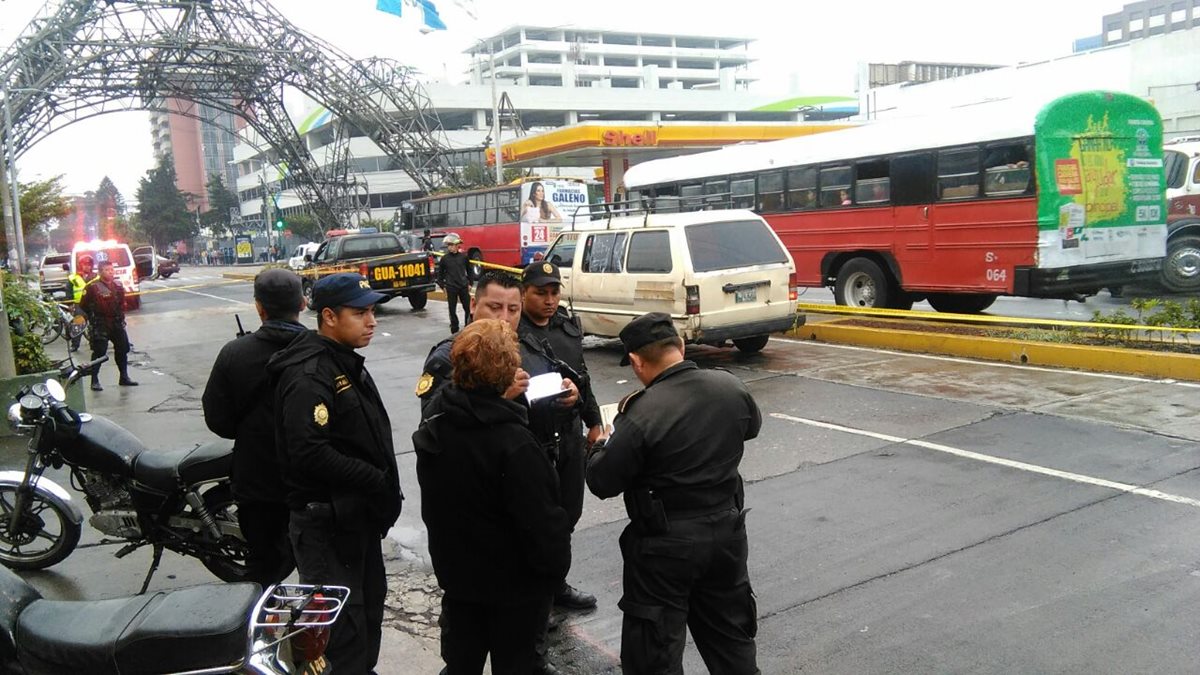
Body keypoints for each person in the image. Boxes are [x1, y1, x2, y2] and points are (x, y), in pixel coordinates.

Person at [585, 312, 762, 674]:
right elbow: (751, 428)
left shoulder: (640, 413)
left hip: (665, 547)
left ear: (635, 361)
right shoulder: (730, 388)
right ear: (680, 346)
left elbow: (602, 481)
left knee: (655, 653)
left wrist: (599, 445)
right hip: (727, 533)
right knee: (731, 641)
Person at [414, 319, 571, 675]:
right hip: (513, 590)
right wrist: (550, 576)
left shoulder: (437, 426)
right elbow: (544, 525)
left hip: (459, 582)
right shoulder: (513, 444)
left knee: (461, 663)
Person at [267, 273, 402, 675]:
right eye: (360, 313)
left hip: (355, 520)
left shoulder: (341, 360)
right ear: (328, 316)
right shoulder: (310, 374)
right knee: (340, 628)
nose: (372, 321)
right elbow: (308, 452)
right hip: (326, 524)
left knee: (368, 610)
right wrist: (374, 479)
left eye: (373, 311)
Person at [202, 269, 305, 588]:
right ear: (302, 303)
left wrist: (252, 431)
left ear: (259, 307)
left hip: (257, 481)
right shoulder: (319, 349)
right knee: (318, 568)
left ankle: (263, 628)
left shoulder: (235, 353)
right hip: (310, 481)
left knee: (263, 571)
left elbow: (217, 419)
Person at [518, 261, 602, 611]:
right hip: (533, 439)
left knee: (569, 514)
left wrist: (593, 420)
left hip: (568, 436)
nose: (549, 300)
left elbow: (582, 377)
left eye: (554, 293)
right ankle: (535, 596)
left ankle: (557, 586)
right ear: (524, 294)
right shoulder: (512, 332)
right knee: (537, 522)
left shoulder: (567, 329)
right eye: (540, 293)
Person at [417, 270, 527, 415]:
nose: (504, 318)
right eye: (495, 308)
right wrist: (500, 398)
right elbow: (431, 422)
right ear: (473, 305)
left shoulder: (526, 345)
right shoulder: (449, 356)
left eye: (513, 310)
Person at [79, 260, 137, 391]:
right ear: (100, 272)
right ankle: (94, 380)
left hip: (116, 323)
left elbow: (122, 303)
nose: (110, 272)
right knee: (99, 352)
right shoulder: (92, 287)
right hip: (101, 324)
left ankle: (124, 377)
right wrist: (92, 317)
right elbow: (83, 305)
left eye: (112, 270)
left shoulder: (117, 285)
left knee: (123, 349)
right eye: (107, 270)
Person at [435, 232, 474, 333]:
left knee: (468, 309)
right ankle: (454, 329)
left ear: (457, 246)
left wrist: (470, 283)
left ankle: (467, 327)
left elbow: (470, 271)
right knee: (452, 310)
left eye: (451, 245)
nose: (450, 248)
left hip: (463, 287)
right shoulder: (444, 259)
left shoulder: (464, 257)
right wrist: (442, 286)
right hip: (451, 287)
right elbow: (440, 275)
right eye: (448, 246)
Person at [67, 254, 96, 352]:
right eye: (85, 264)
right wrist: (70, 304)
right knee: (78, 325)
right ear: (80, 265)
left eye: (89, 264)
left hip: (93, 304)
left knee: (94, 325)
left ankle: (94, 344)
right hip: (79, 305)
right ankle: (75, 345)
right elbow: (69, 291)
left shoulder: (96, 277)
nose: (87, 266)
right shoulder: (73, 278)